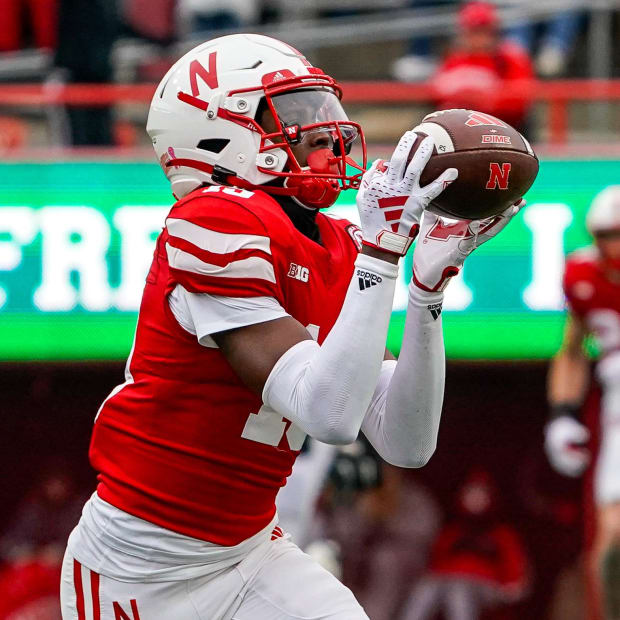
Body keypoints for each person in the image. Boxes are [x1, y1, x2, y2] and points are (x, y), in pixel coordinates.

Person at [60, 33, 523, 619]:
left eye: (325, 110)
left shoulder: (334, 243)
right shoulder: (212, 218)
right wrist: (381, 254)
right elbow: (327, 414)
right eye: (297, 114)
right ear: (218, 134)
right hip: (144, 562)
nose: (328, 132)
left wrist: (426, 294)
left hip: (249, 550)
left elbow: (407, 443)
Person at [545, 186, 620, 620]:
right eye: (609, 235)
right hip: (615, 398)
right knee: (611, 536)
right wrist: (562, 415)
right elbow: (573, 349)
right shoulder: (583, 275)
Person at [399, 468, 529, 620]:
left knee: (458, 590)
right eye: (470, 494)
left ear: (490, 498)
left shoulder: (500, 533)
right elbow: (436, 558)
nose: (475, 499)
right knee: (426, 587)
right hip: (447, 577)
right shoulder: (453, 531)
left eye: (480, 495)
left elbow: (513, 562)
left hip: (484, 584)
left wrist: (512, 583)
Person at [430, 1, 534, 134]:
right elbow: (435, 93)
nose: (478, 37)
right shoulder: (454, 59)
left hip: (504, 131)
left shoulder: (510, 57)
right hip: (461, 131)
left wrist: (481, 101)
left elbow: (520, 102)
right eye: (473, 31)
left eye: (483, 30)